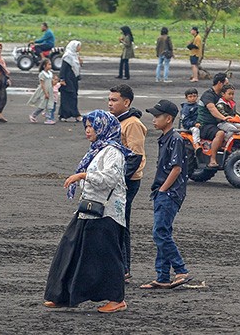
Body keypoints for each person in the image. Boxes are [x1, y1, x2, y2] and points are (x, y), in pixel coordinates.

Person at [44, 110, 129, 313]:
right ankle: (64, 295)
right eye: (87, 126)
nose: (88, 130)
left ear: (103, 128)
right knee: (71, 250)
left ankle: (117, 299)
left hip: (107, 213)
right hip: (89, 210)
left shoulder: (113, 152)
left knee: (106, 256)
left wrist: (82, 175)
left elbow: (109, 179)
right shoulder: (98, 150)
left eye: (92, 126)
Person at [140, 99, 192, 290]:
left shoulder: (175, 139)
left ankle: (181, 270)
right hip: (165, 192)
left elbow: (176, 168)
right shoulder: (166, 137)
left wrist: (163, 189)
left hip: (169, 192)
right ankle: (162, 276)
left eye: (157, 116)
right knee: (163, 232)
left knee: (160, 232)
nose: (153, 119)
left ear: (168, 118)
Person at [108, 84, 147, 283]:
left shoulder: (131, 123)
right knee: (115, 223)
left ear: (127, 102)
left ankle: (123, 269)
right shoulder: (119, 121)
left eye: (114, 100)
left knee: (121, 224)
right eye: (109, 99)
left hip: (127, 182)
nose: (110, 103)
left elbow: (136, 156)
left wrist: (118, 180)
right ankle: (119, 267)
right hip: (119, 180)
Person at [197, 73, 231, 168]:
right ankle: (213, 159)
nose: (227, 86)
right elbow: (212, 109)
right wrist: (223, 118)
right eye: (226, 84)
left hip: (216, 123)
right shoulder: (208, 95)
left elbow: (229, 108)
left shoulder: (221, 95)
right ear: (220, 83)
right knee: (220, 133)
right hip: (205, 124)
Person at [58, 40, 83, 122]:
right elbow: (63, 69)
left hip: (73, 79)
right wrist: (62, 79)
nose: (79, 48)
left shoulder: (75, 55)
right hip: (67, 79)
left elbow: (76, 68)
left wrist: (80, 63)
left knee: (72, 96)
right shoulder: (67, 56)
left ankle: (63, 115)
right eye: (78, 46)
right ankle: (76, 114)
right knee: (70, 96)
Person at [27, 59, 56, 124]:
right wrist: (45, 93)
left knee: (50, 105)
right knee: (42, 105)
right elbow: (42, 85)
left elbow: (51, 83)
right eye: (49, 64)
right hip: (44, 91)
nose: (50, 66)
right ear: (44, 66)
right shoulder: (42, 74)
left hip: (50, 91)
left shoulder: (50, 73)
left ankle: (48, 118)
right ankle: (33, 115)